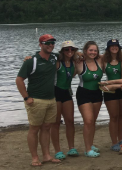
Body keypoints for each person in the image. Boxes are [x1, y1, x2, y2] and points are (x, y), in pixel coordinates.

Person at [16, 34, 61, 166]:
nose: (51, 45)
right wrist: (26, 97)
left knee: (47, 128)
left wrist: (79, 53)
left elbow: (69, 54)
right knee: (34, 129)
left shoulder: (54, 57)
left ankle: (46, 155)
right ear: (40, 44)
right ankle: (35, 157)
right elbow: (19, 80)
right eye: (47, 43)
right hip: (36, 100)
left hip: (51, 99)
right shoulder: (31, 61)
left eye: (52, 43)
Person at [74, 41, 104, 158]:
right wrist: (77, 54)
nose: (93, 52)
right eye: (90, 50)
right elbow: (65, 59)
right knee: (88, 121)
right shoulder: (79, 62)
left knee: (93, 121)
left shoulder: (100, 60)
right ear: (85, 50)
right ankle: (87, 150)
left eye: (95, 50)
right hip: (83, 93)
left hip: (97, 93)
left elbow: (119, 55)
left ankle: (90, 145)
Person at [51, 41, 79, 160]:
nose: (69, 51)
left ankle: (71, 147)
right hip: (56, 93)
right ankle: (57, 150)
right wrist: (29, 58)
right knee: (56, 123)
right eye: (67, 49)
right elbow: (43, 59)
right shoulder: (57, 62)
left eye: (72, 49)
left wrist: (80, 54)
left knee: (70, 121)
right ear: (62, 51)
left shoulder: (74, 62)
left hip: (67, 93)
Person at [100, 39, 122, 152]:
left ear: (119, 48)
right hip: (110, 91)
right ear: (108, 48)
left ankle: (121, 139)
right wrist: (79, 55)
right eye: (112, 46)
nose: (114, 48)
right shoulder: (104, 59)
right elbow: (89, 55)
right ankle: (114, 142)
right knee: (114, 117)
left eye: (116, 46)